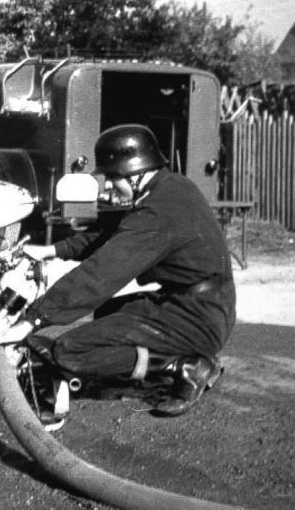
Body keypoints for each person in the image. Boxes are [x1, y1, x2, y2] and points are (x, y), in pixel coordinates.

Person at [19, 123, 236, 416]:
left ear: (136, 171)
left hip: (198, 316)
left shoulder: (160, 211)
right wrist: (51, 250)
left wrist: (33, 318)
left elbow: (101, 274)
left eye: (112, 176)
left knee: (70, 350)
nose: (107, 185)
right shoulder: (170, 188)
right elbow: (111, 234)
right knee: (108, 313)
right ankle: (171, 360)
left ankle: (185, 365)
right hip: (200, 304)